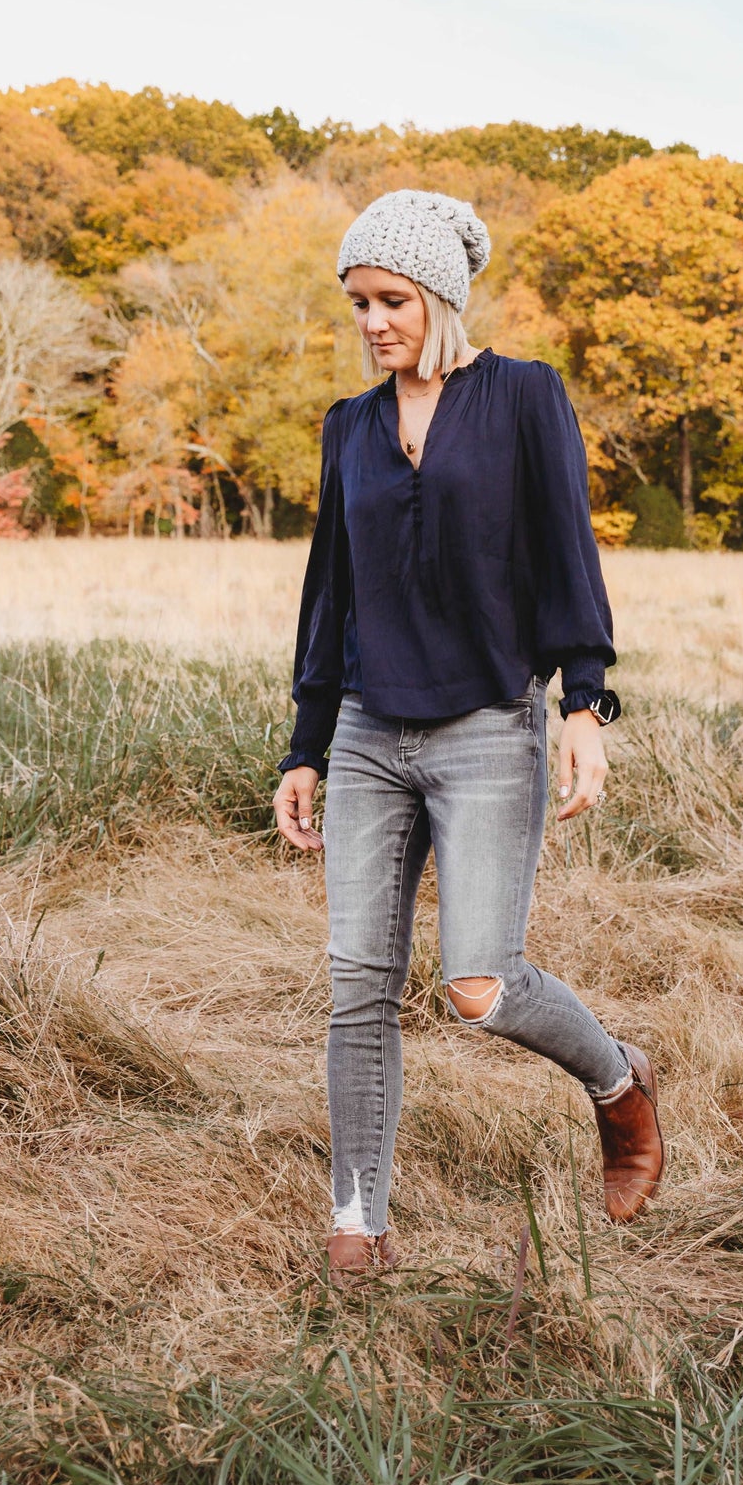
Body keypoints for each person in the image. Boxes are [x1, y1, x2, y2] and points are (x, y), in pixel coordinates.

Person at [272, 187, 665, 1284]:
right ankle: (357, 1223)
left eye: (390, 299)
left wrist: (581, 701)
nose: (371, 322)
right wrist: (305, 744)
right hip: (364, 733)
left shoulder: (524, 398)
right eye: (356, 303)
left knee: (478, 986)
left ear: (440, 292)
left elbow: (564, 555)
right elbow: (329, 595)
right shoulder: (348, 426)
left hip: (488, 728)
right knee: (358, 986)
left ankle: (617, 1084)